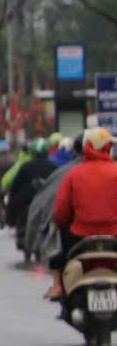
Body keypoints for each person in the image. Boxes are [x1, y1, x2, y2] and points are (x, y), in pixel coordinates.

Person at [48, 125, 117, 298]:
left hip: (80, 237)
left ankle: (57, 286)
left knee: (57, 242)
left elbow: (60, 214)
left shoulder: (73, 174)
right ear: (108, 148)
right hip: (114, 235)